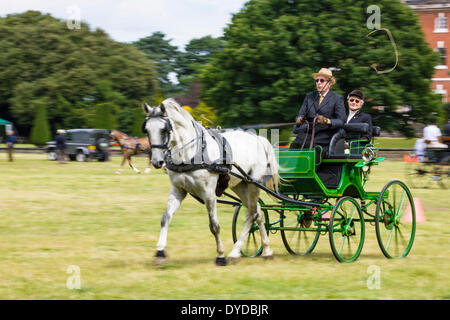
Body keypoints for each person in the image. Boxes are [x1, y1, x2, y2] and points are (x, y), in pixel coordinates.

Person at [290, 68, 347, 159]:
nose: (318, 83)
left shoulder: (337, 98)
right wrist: (299, 119)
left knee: (313, 147)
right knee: (294, 145)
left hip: (325, 134)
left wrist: (327, 121)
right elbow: (301, 114)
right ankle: (290, 171)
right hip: (308, 132)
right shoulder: (309, 96)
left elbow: (342, 120)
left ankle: (307, 172)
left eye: (322, 80)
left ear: (329, 83)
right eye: (317, 80)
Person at [345, 89, 373, 153]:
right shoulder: (342, 116)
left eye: (357, 101)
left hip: (356, 148)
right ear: (348, 101)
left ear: (361, 104)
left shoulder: (366, 117)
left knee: (345, 152)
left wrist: (349, 144)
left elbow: (367, 137)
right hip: (339, 146)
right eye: (351, 100)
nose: (354, 102)